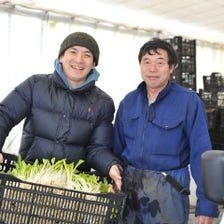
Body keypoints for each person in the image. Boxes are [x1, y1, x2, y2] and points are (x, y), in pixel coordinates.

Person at [113, 38, 219, 223]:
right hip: (129, 191)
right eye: (147, 62)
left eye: (160, 62)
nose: (152, 69)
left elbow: (201, 155)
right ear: (140, 66)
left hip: (169, 192)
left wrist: (207, 205)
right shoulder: (128, 102)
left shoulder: (188, 102)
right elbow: (116, 149)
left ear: (171, 67)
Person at [0, 31, 122, 190]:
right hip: (29, 178)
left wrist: (110, 165)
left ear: (93, 64)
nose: (79, 60)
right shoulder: (36, 85)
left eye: (87, 55)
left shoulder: (103, 103)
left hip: (71, 188)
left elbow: (98, 148)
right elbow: (5, 115)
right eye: (73, 52)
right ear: (61, 56)